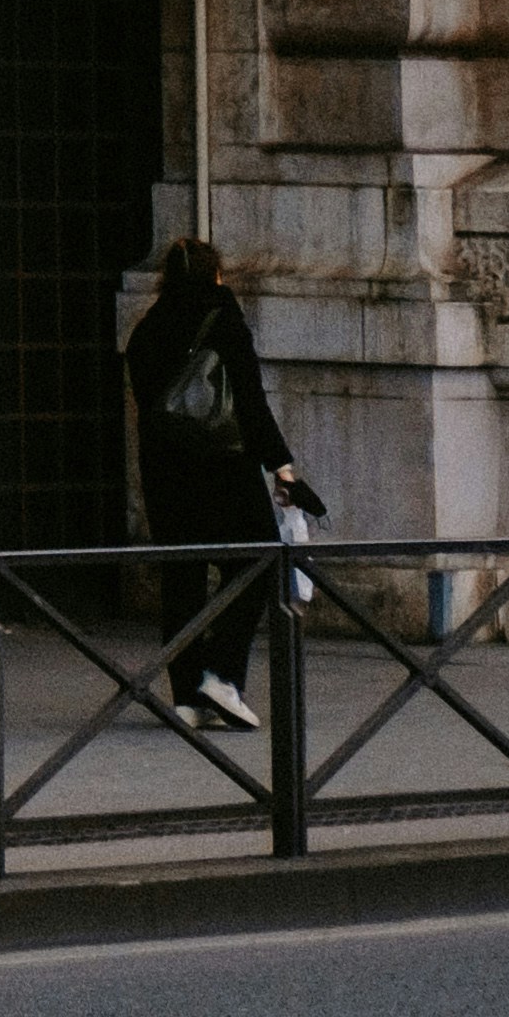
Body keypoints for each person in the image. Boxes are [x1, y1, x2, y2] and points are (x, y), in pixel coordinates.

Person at [123, 235, 317, 729]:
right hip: (222, 466)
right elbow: (250, 402)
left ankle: (187, 697)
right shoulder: (222, 318)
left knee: (182, 580)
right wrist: (283, 468)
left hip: (165, 474)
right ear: (215, 274)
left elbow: (151, 411)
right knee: (256, 565)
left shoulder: (145, 332)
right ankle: (223, 677)